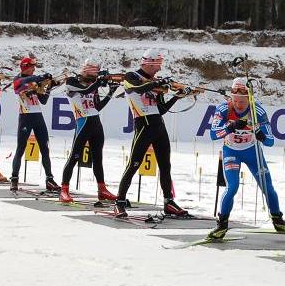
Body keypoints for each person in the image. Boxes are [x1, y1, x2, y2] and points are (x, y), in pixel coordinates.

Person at [207, 78, 285, 239]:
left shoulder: (258, 111)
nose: (238, 104)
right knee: (232, 187)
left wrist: (261, 135)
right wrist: (230, 127)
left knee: (267, 188)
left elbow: (270, 141)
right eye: (235, 100)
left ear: (249, 99)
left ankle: (278, 220)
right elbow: (213, 134)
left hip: (252, 152)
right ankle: (221, 225)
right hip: (231, 152)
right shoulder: (223, 109)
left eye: (242, 101)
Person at [113, 48, 188, 218]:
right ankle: (119, 202)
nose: (159, 69)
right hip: (143, 125)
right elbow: (138, 89)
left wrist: (177, 96)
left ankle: (169, 201)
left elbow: (161, 110)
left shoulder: (155, 81)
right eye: (157, 66)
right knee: (133, 164)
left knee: (165, 165)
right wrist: (157, 84)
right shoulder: (131, 76)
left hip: (158, 125)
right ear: (150, 63)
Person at [58, 59, 119, 203]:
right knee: (74, 156)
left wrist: (110, 93)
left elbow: (97, 107)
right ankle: (64, 190)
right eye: (93, 76)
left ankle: (102, 189)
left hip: (96, 122)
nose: (94, 79)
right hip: (82, 121)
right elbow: (84, 90)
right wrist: (98, 81)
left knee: (98, 158)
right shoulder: (72, 81)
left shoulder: (93, 85)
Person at [10, 56, 60, 192]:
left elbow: (43, 100)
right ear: (25, 67)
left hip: (38, 116)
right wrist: (39, 78)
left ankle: (49, 179)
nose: (34, 69)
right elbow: (23, 82)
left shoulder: (33, 80)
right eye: (32, 67)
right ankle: (14, 179)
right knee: (21, 148)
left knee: (45, 148)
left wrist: (49, 87)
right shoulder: (18, 80)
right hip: (25, 116)